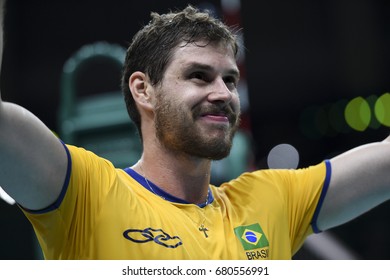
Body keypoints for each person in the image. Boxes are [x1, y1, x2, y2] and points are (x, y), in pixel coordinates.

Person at [0, 1, 389, 260]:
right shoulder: (86, 194)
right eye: (199, 76)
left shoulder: (272, 200)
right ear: (143, 90)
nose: (223, 94)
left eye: (231, 80)